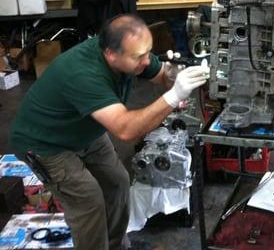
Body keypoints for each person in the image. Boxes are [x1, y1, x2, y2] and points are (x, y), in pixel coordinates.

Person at [9, 14, 209, 250]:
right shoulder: (83, 73)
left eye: (148, 52)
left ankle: (115, 246)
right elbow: (126, 130)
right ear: (111, 54)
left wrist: (173, 75)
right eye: (139, 57)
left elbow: (162, 76)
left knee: (118, 182)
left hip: (84, 129)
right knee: (88, 201)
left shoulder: (128, 52)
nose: (147, 61)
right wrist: (175, 95)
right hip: (46, 142)